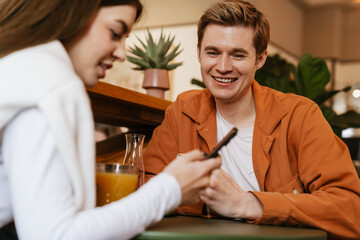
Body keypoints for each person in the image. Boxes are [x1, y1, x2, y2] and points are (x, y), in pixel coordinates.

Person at [0, 0, 221, 239]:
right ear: (73, 13)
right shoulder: (54, 83)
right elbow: (56, 235)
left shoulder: (22, 70)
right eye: (115, 33)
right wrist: (171, 189)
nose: (122, 53)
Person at [143, 0, 360, 239]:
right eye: (213, 52)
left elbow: (350, 209)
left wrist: (247, 203)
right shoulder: (183, 111)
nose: (222, 67)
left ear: (260, 59)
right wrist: (202, 200)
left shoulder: (301, 116)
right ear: (198, 53)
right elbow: (145, 187)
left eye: (238, 55)